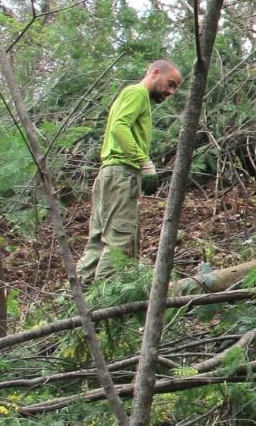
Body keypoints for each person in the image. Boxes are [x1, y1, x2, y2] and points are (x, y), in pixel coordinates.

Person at [76, 58, 182, 279]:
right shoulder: (137, 94)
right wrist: (145, 162)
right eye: (170, 83)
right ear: (155, 73)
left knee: (97, 244)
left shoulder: (131, 95)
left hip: (109, 174)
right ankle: (106, 308)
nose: (171, 91)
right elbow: (119, 128)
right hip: (121, 174)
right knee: (119, 245)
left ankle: (80, 305)